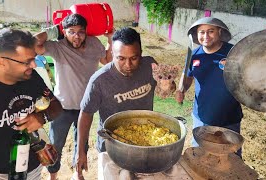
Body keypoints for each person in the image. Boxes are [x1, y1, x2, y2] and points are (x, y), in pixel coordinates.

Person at [0, 28, 62, 180]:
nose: (34, 65)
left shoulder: (30, 77)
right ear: (2, 62)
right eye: (27, 61)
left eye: (34, 58)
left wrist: (42, 117)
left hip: (33, 169)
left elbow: (56, 105)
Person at [34, 13, 113, 180]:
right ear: (64, 32)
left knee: (82, 145)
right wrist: (54, 30)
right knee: (56, 145)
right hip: (61, 107)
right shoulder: (58, 47)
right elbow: (33, 44)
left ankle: (77, 174)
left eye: (81, 32)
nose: (76, 36)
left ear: (86, 32)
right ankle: (53, 176)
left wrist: (111, 39)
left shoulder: (94, 43)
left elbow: (107, 60)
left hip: (86, 107)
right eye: (71, 32)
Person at [76, 27, 157, 179]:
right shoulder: (99, 81)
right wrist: (81, 151)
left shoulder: (150, 65)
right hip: (111, 147)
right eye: (121, 58)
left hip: (145, 143)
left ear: (141, 53)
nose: (128, 65)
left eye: (134, 58)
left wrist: (169, 86)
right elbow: (86, 114)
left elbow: (165, 88)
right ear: (112, 54)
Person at [175, 17, 243, 148]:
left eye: (210, 31)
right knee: (199, 154)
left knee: (230, 156)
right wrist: (181, 89)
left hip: (229, 119)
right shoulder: (194, 55)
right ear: (197, 34)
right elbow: (187, 76)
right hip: (202, 118)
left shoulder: (234, 52)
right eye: (201, 32)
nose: (206, 36)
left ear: (219, 32)